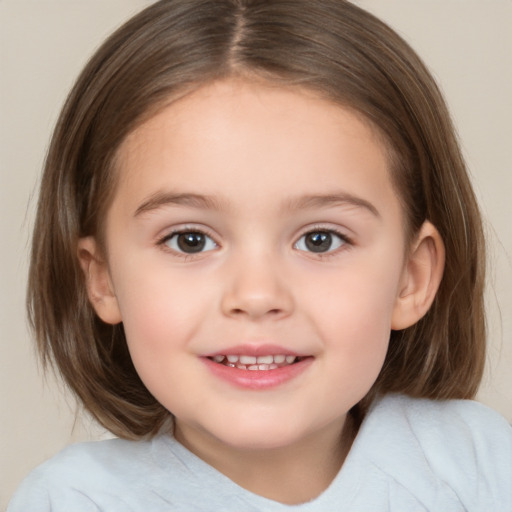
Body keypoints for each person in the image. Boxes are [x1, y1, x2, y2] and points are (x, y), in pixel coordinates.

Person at [7, 0, 512, 510]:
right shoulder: (74, 501)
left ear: (411, 277)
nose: (256, 295)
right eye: (190, 240)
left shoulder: (472, 465)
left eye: (320, 239)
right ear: (104, 281)